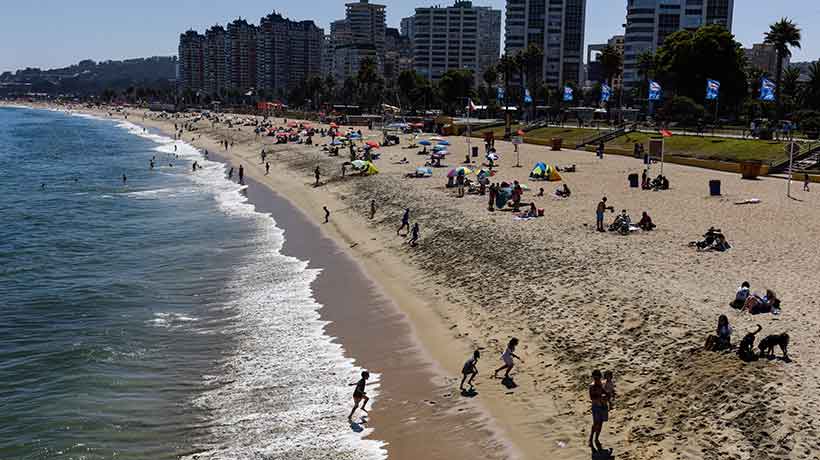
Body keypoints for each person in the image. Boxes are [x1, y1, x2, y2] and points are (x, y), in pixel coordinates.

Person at [589, 370, 609, 451]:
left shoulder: (602, 384)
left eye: (598, 377)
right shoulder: (592, 386)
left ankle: (596, 438)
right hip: (596, 407)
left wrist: (607, 397)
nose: (596, 379)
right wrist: (600, 398)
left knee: (600, 424)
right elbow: (592, 398)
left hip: (603, 406)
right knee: (595, 424)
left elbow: (607, 393)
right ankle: (591, 439)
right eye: (595, 378)